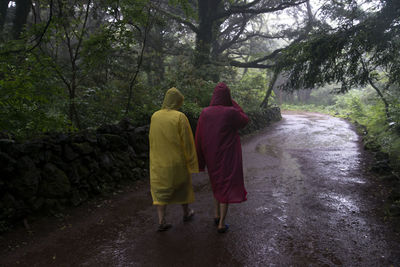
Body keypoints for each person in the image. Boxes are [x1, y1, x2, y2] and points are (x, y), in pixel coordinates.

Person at [195, 82, 249, 233]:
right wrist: (233, 103)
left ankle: (216, 215)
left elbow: (199, 135)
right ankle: (221, 224)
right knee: (226, 185)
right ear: (227, 96)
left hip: (211, 154)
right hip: (228, 155)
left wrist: (200, 160)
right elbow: (244, 120)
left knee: (216, 183)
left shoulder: (205, 113)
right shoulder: (231, 112)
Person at [149, 87, 198, 232]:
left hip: (158, 161)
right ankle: (186, 212)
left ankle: (161, 220)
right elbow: (188, 142)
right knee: (183, 187)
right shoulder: (180, 117)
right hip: (177, 161)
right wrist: (192, 161)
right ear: (177, 102)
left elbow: (152, 139)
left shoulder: (155, 116)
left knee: (160, 191)